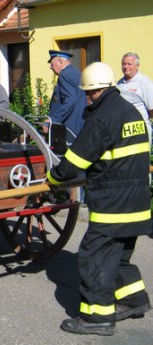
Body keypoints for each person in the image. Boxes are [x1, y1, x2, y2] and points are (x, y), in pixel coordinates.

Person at [47, 62, 151, 336]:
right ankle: (133, 300)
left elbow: (76, 160)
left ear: (95, 91)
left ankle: (97, 318)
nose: (87, 98)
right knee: (118, 258)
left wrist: (54, 179)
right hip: (137, 203)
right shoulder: (130, 112)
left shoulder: (102, 118)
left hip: (112, 205)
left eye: (88, 93)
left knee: (94, 258)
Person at [47, 50, 87, 137]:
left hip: (70, 126)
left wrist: (52, 121)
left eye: (52, 64)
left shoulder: (64, 75)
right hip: (80, 123)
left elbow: (70, 100)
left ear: (60, 62)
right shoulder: (76, 72)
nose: (50, 67)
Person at [117, 52, 153, 146]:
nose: (126, 67)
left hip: (140, 131)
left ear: (137, 66)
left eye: (129, 64)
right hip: (123, 131)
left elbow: (151, 110)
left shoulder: (145, 83)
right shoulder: (119, 83)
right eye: (124, 64)